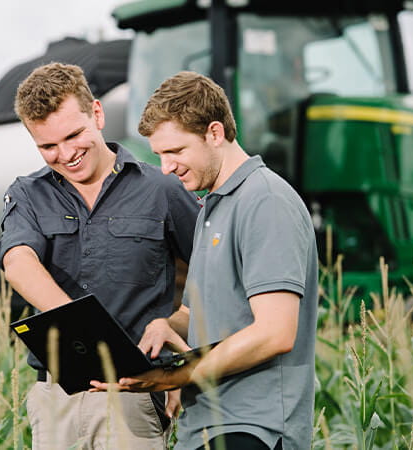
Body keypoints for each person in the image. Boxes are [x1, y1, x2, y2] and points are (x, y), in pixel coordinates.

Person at [90, 71, 318, 450]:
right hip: (208, 426)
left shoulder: (266, 201)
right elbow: (209, 311)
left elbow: (276, 331)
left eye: (176, 152)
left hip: (254, 429)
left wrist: (178, 376)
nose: (166, 167)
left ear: (215, 133)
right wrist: (169, 324)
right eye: (160, 155)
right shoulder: (212, 206)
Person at [0, 63, 200, 449]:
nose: (66, 154)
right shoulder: (27, 195)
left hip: (132, 394)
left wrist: (183, 355)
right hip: (56, 398)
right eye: (48, 146)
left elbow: (213, 273)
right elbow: (18, 262)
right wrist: (85, 329)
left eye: (74, 135)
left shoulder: (162, 189)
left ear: (98, 115)